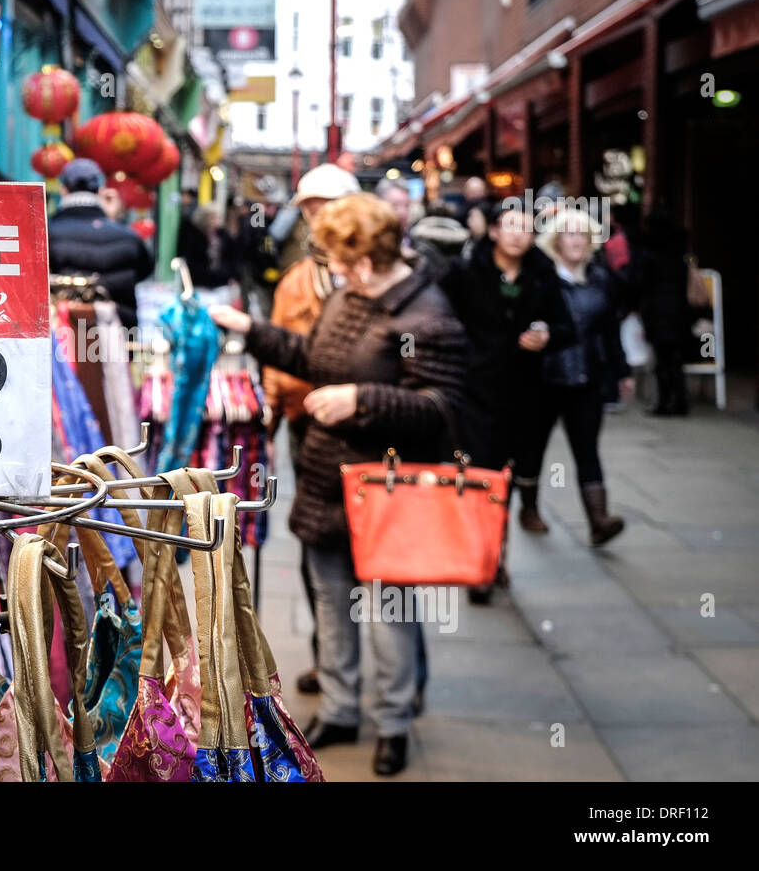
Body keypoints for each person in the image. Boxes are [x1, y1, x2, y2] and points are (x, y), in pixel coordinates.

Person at [210, 192, 468, 777]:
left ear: (373, 254)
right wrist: (250, 329)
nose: (338, 272)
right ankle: (341, 708)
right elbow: (313, 358)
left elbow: (443, 407)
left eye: (345, 261)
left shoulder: (427, 316)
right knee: (331, 603)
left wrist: (361, 400)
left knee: (390, 612)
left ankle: (395, 721)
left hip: (387, 489)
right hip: (328, 480)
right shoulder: (348, 296)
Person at [263, 163, 359, 698]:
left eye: (329, 207)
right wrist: (271, 410)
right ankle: (330, 656)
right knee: (317, 541)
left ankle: (394, 671)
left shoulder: (383, 273)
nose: (319, 218)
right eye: (311, 210)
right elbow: (280, 348)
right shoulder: (299, 278)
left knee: (378, 549)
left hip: (373, 428)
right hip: (309, 426)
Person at [439, 201, 575, 550]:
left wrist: (547, 337)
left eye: (526, 228)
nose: (518, 234)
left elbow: (566, 328)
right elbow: (438, 320)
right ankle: (482, 552)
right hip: (476, 390)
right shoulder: (466, 272)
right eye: (510, 225)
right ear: (495, 231)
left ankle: (496, 551)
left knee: (512, 472)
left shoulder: (543, 276)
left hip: (527, 391)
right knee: (480, 470)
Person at [533, 209, 630, 545]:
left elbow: (611, 330)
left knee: (587, 449)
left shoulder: (602, 279)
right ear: (556, 240)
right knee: (533, 449)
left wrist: (622, 370)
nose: (575, 239)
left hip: (589, 377)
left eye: (581, 234)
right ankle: (529, 509)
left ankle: (599, 521)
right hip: (546, 379)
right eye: (568, 233)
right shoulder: (542, 279)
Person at [47, 158, 152, 328]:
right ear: (100, 190)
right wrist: (112, 219)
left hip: (65, 340)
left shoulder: (47, 234)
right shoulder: (128, 237)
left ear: (64, 190)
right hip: (119, 336)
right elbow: (144, 270)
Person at [633, 206, 691, 415]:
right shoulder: (679, 248)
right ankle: (680, 400)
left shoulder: (650, 250)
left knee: (663, 360)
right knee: (675, 359)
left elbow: (640, 281)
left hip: (658, 310)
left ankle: (667, 401)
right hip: (679, 310)